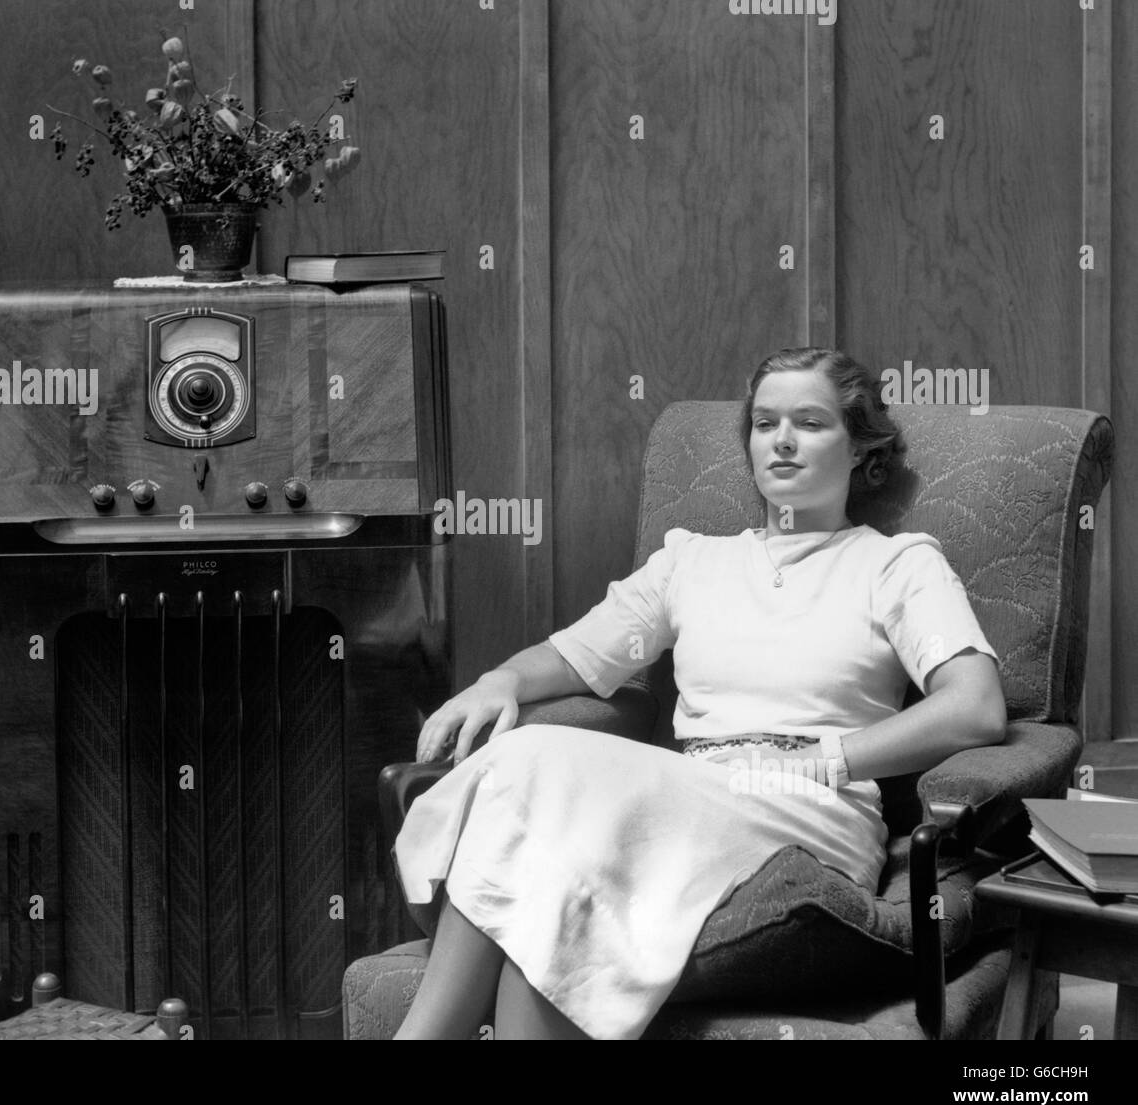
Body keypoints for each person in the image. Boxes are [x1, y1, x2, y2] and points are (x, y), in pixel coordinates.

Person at [391, 347, 1006, 1040]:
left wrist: (827, 760)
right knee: (542, 867)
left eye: (809, 422)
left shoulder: (895, 564)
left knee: (535, 767)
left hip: (807, 810)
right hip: (692, 795)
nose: (780, 439)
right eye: (764, 422)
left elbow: (975, 706)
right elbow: (581, 653)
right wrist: (500, 680)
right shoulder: (692, 560)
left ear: (862, 447)